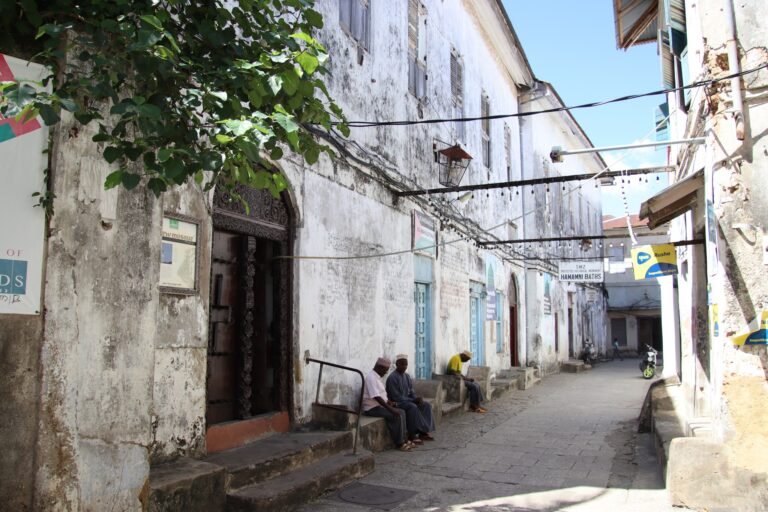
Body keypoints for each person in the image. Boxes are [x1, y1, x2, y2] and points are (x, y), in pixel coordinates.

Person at [363, 357, 416, 452]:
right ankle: (399, 443)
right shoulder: (371, 378)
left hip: (379, 406)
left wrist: (389, 402)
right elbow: (376, 397)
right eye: (385, 370)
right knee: (396, 415)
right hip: (372, 408)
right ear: (380, 367)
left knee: (402, 412)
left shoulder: (376, 377)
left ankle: (404, 439)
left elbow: (381, 395)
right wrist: (390, 409)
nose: (386, 373)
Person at [386, 354, 436, 444]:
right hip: (397, 402)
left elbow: (411, 392)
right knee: (412, 407)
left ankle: (423, 432)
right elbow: (396, 397)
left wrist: (416, 398)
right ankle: (412, 435)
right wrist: (413, 401)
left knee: (426, 405)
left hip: (408, 401)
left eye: (406, 364)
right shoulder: (392, 378)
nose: (404, 366)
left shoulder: (407, 376)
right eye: (402, 364)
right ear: (397, 364)